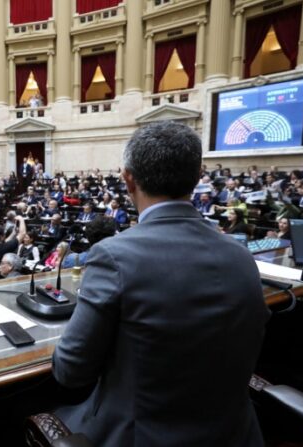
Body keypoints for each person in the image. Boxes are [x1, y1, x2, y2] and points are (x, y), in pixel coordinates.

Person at [52, 121, 269, 446]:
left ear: (128, 179)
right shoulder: (241, 255)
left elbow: (70, 372)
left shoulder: (113, 255)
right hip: (234, 434)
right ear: (198, 177)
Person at [0, 215, 26, 280]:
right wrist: (21, 219)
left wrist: (13, 233)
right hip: (1, 281)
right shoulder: (4, 248)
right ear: (1, 236)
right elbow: (22, 234)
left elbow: (4, 242)